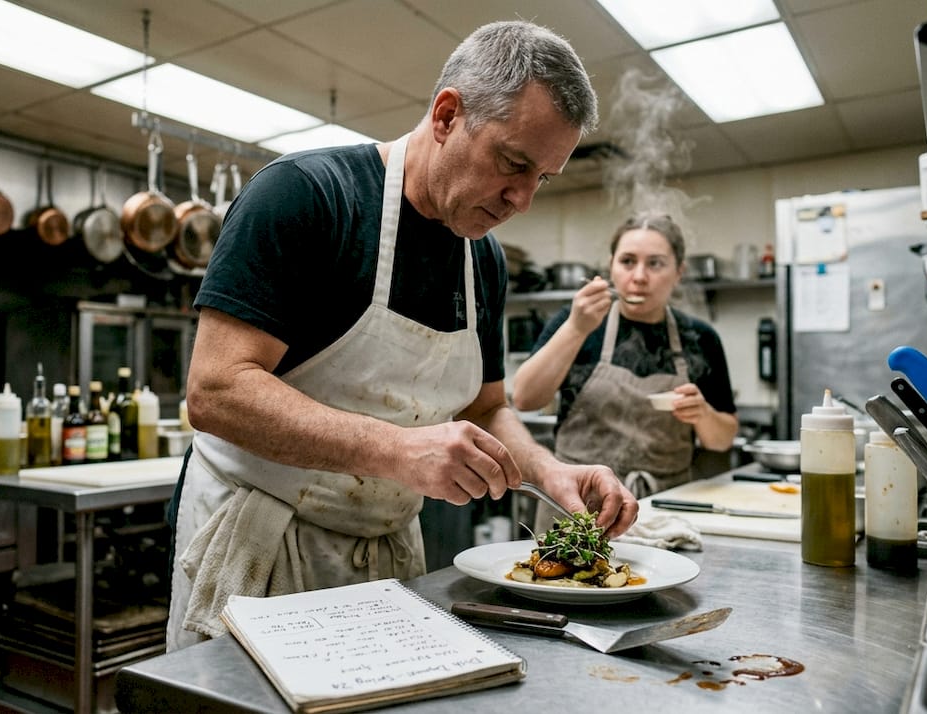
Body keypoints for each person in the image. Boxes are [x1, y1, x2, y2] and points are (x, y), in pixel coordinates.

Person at [165, 20, 639, 650]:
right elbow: (217, 391)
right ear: (447, 116)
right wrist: (397, 450)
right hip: (260, 554)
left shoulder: (483, 261)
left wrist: (551, 474)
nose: (522, 199)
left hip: (387, 561)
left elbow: (487, 406)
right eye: (513, 163)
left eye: (541, 179)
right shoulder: (309, 197)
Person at [511, 213, 738, 531]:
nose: (640, 276)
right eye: (628, 261)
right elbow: (524, 398)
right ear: (611, 266)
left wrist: (702, 414)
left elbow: (722, 439)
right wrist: (576, 328)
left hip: (663, 512)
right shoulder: (578, 321)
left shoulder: (700, 338)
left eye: (656, 263)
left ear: (679, 272)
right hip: (577, 505)